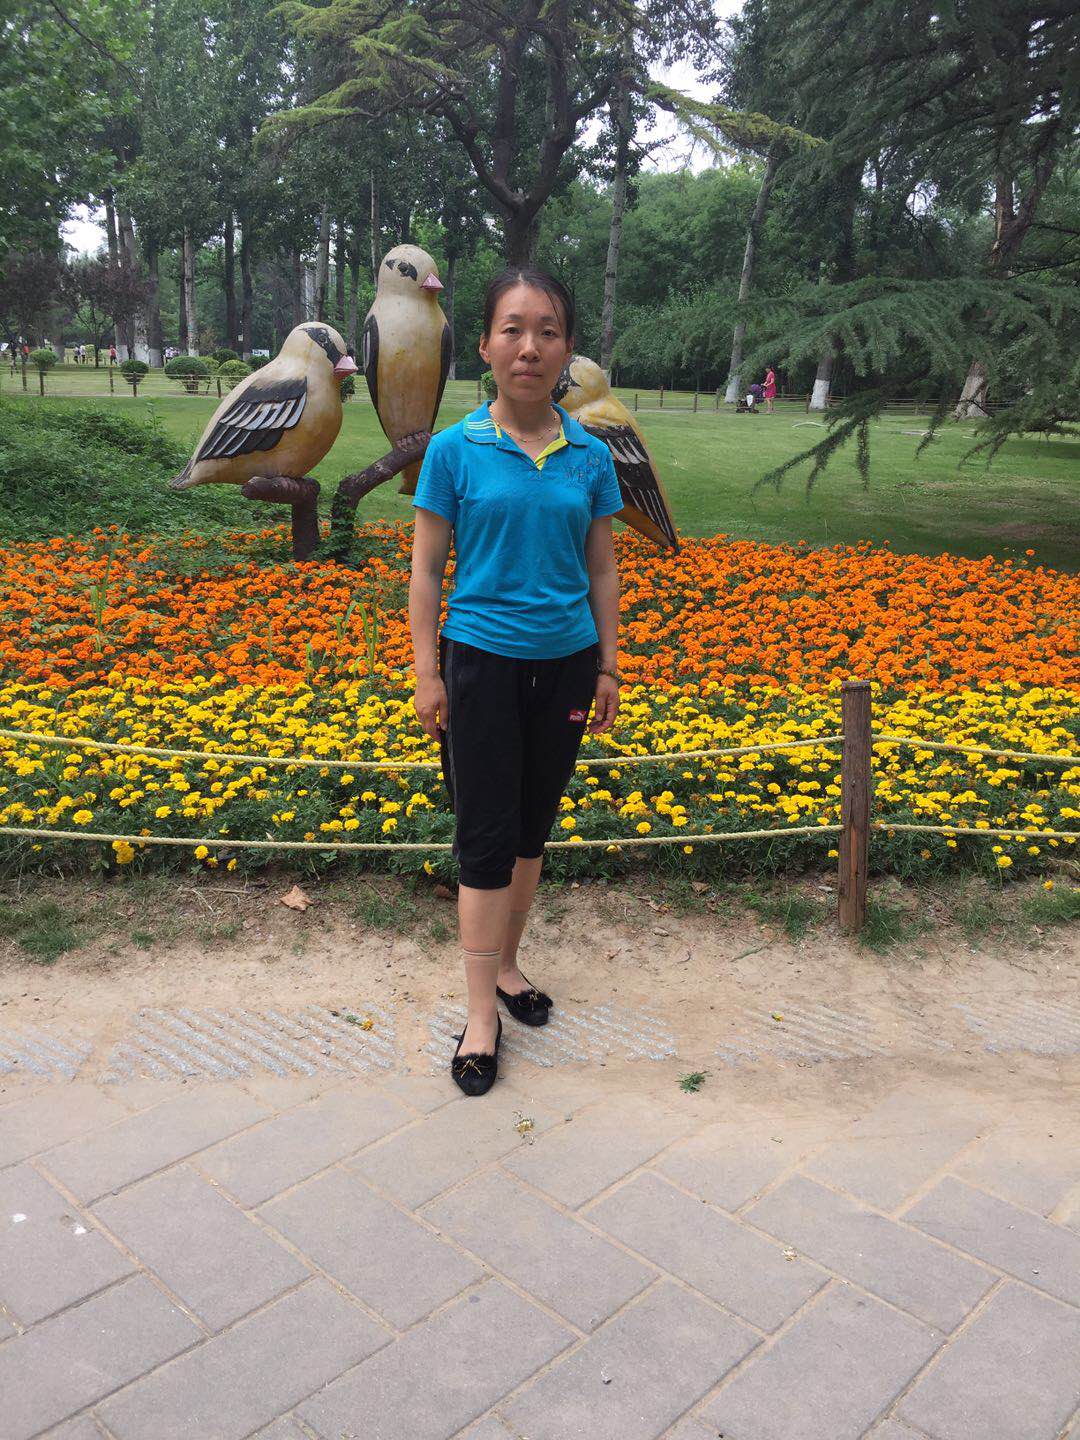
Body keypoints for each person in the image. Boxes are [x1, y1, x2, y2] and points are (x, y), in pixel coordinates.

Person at [410, 267, 623, 1097]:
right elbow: (427, 571)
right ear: (487, 345)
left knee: (532, 830)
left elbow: (600, 569)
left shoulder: (591, 456)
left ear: (567, 349)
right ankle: (479, 1014)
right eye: (513, 329)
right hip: (481, 666)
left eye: (547, 330)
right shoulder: (454, 450)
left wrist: (607, 664)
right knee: (485, 836)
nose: (529, 347)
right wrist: (427, 673)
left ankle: (506, 966)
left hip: (565, 665)